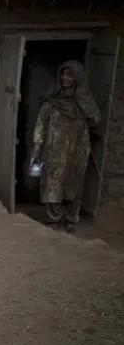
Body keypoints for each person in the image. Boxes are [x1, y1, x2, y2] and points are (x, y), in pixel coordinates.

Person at [31, 60, 100, 234]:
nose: (65, 78)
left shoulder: (85, 100)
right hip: (54, 148)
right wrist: (37, 144)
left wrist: (84, 105)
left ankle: (71, 218)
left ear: (77, 78)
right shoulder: (52, 98)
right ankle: (53, 218)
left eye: (70, 75)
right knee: (53, 181)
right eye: (63, 74)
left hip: (78, 148)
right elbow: (41, 122)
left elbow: (96, 120)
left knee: (74, 182)